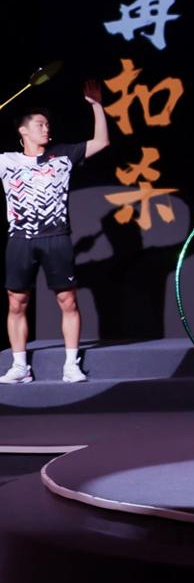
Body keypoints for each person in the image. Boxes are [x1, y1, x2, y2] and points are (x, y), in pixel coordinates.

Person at [1, 80, 110, 384]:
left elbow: (101, 142)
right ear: (22, 130)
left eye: (47, 124)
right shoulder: (6, 161)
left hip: (56, 238)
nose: (46, 129)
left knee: (68, 302)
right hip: (20, 240)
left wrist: (96, 106)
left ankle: (71, 365)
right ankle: (20, 367)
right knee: (15, 303)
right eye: (39, 124)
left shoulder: (63, 155)